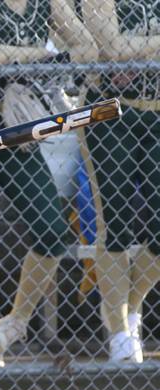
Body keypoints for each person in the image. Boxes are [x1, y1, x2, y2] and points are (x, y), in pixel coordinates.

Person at [0, 0, 98, 366]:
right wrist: (47, 55)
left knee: (52, 232)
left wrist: (33, 59)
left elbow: (87, 47)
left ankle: (16, 322)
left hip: (20, 123)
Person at [78, 0, 160, 363]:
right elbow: (113, 49)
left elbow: (128, 50)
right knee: (116, 221)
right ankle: (119, 333)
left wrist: (140, 49)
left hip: (156, 109)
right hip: (111, 110)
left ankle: (130, 305)